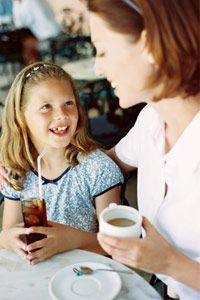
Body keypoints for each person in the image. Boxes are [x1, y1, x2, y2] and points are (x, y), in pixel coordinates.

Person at [79, 1, 200, 299]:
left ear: (149, 43)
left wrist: (171, 263)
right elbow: (108, 165)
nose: (97, 66)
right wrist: (25, 169)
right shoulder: (152, 119)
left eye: (103, 49)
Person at [0, 62, 124, 265]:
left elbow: (117, 246)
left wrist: (70, 240)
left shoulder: (97, 169)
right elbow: (9, 234)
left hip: (88, 278)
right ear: (21, 117)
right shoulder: (16, 172)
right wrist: (6, 239)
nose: (62, 115)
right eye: (46, 107)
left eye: (68, 103)